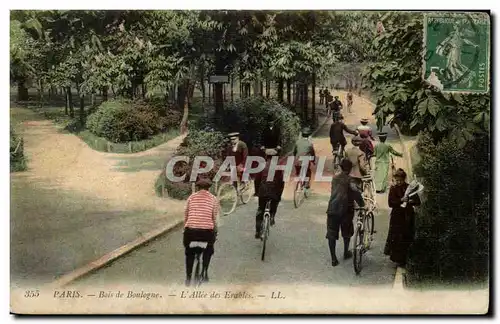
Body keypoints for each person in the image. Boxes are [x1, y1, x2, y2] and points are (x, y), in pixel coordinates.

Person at [326, 159, 365, 266]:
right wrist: (362, 204)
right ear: (350, 168)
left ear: (341, 167)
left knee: (331, 234)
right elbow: (356, 193)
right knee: (347, 232)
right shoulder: (350, 180)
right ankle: (345, 252)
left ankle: (333, 258)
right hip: (346, 211)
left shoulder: (335, 178)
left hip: (332, 209)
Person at [183, 176, 219, 286]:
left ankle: (188, 277)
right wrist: (215, 232)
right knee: (208, 250)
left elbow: (186, 215)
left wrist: (185, 228)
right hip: (206, 233)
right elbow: (215, 219)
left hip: (191, 232)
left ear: (198, 187)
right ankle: (204, 272)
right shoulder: (213, 199)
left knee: (189, 253)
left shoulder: (191, 198)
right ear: (209, 188)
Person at [384, 168, 421, 266]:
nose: (399, 182)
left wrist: (409, 201)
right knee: (397, 237)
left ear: (404, 179)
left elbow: (418, 202)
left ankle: (406, 258)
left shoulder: (410, 188)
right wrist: (401, 200)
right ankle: (398, 259)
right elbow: (390, 203)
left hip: (407, 216)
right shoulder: (393, 189)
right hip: (397, 217)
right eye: (397, 180)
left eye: (400, 180)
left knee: (407, 236)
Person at [254, 149, 285, 238]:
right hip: (274, 192)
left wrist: (256, 192)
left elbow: (257, 180)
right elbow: (281, 182)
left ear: (266, 156)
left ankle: (257, 231)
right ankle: (271, 217)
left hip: (263, 192)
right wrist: (279, 194)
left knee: (260, 209)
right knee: (274, 204)